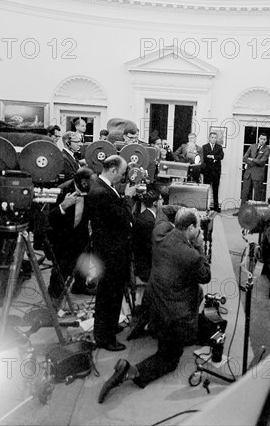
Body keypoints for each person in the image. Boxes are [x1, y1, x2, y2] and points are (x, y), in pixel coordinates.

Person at [98, 208, 211, 403]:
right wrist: (200, 246)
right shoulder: (190, 255)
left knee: (195, 295)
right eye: (198, 228)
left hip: (155, 303)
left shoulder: (160, 233)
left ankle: (163, 332)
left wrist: (182, 211)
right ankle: (130, 371)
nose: (200, 231)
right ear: (192, 228)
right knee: (170, 358)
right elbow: (205, 275)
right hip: (175, 314)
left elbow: (162, 212)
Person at [86, 155, 136, 351]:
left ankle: (110, 326)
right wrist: (128, 197)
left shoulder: (103, 186)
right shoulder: (102, 192)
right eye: (122, 174)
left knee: (113, 294)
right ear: (113, 170)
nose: (123, 177)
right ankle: (105, 339)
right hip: (110, 253)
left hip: (110, 250)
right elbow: (123, 218)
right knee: (109, 294)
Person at [47, 167, 95, 305]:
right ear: (83, 182)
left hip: (81, 232)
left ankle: (79, 286)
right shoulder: (61, 191)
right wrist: (63, 206)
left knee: (83, 260)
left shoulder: (91, 191)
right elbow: (49, 219)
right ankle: (54, 295)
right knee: (62, 267)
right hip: (62, 235)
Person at [234, 133, 270, 216]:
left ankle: (257, 213)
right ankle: (242, 212)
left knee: (257, 195)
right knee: (244, 193)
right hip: (248, 174)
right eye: (261, 138)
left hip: (258, 174)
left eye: (264, 139)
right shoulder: (252, 146)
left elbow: (262, 161)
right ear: (258, 138)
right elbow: (244, 158)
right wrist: (253, 161)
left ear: (266, 140)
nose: (262, 141)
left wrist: (251, 160)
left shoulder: (267, 149)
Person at [131, 186, 162, 283]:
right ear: (155, 203)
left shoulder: (145, 216)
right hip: (145, 267)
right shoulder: (148, 221)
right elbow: (149, 247)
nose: (163, 201)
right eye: (161, 199)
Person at [201, 132, 224, 212]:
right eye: (212, 137)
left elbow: (221, 156)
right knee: (206, 190)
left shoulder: (219, 147)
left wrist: (212, 156)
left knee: (215, 190)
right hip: (207, 172)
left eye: (215, 137)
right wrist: (214, 158)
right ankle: (205, 207)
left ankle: (216, 207)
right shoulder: (204, 147)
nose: (214, 139)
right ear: (209, 138)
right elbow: (204, 157)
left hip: (216, 172)